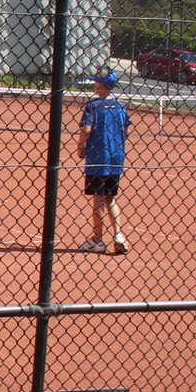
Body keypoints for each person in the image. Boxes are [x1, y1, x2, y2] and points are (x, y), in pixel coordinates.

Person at [77, 71, 131, 255]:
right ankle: (118, 235)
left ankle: (97, 240)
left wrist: (81, 146)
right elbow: (125, 131)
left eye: (96, 82)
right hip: (116, 157)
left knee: (98, 200)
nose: (94, 85)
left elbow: (86, 128)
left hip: (98, 158)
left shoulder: (93, 106)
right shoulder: (121, 106)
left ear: (101, 85)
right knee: (110, 198)